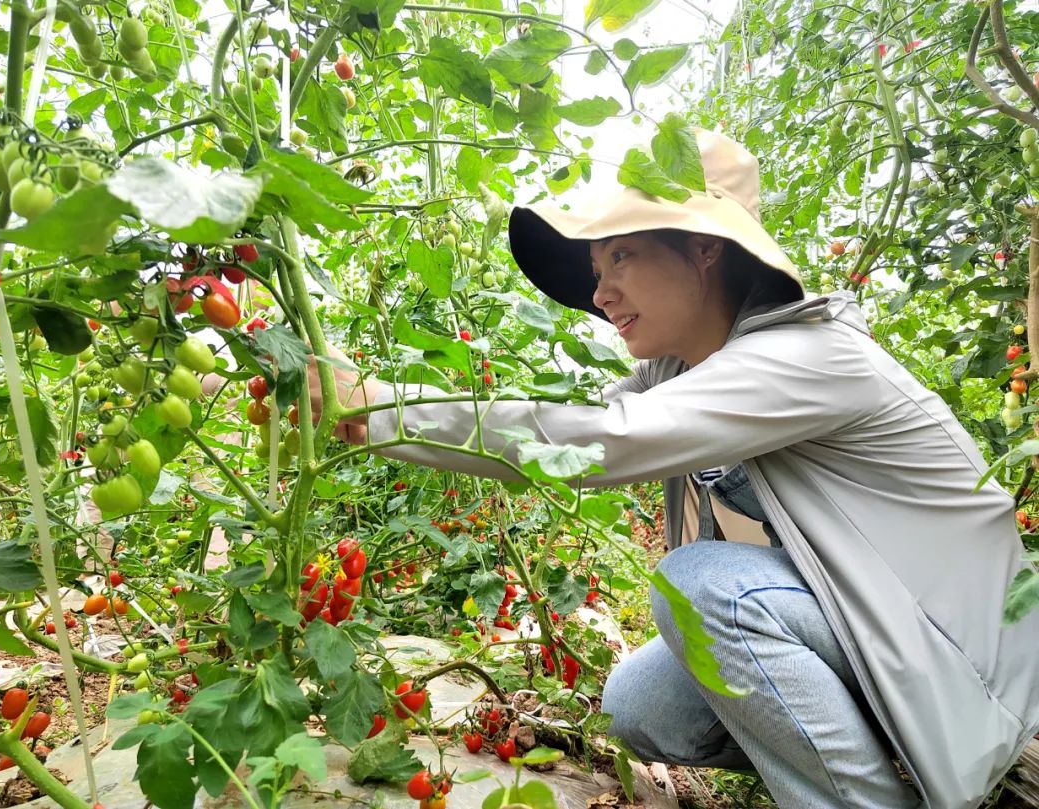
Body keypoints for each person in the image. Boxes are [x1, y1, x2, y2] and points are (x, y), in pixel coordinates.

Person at [310, 128, 1039, 809]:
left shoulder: (808, 356)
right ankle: (866, 761)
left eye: (621, 257)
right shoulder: (684, 370)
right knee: (641, 705)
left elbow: (605, 440)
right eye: (597, 271)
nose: (601, 294)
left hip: (965, 669)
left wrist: (382, 407)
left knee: (701, 586)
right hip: (874, 632)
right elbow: (572, 422)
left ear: (705, 247)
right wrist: (373, 402)